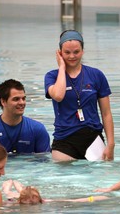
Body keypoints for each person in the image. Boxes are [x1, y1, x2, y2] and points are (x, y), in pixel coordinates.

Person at [44, 30, 115, 162]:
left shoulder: (96, 75)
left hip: (92, 138)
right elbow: (58, 95)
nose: (72, 56)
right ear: (60, 53)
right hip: (64, 141)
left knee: (102, 179)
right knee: (65, 182)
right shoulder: (52, 76)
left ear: (82, 51)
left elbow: (106, 113)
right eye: (67, 52)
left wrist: (111, 144)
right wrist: (61, 68)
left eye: (76, 52)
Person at [0, 79, 51, 154]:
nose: (22, 102)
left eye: (23, 98)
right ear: (3, 101)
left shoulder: (37, 129)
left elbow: (45, 162)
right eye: (16, 99)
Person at [2, 179, 109, 204]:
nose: (31, 203)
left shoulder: (44, 201)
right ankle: (13, 183)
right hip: (18, 196)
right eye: (29, 203)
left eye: (33, 202)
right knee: (8, 192)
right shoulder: (16, 201)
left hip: (22, 195)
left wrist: (92, 198)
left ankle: (18, 185)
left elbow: (75, 201)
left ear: (40, 199)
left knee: (20, 191)